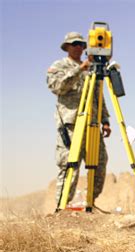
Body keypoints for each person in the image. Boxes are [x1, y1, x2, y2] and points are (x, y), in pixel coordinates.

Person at [47, 32, 112, 208]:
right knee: (69, 164)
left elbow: (99, 95)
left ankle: (90, 202)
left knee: (99, 161)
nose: (78, 47)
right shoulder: (60, 65)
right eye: (74, 43)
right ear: (67, 46)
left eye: (81, 44)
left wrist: (105, 119)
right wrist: (80, 69)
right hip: (71, 124)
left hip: (92, 123)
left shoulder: (92, 68)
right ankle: (61, 207)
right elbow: (56, 86)